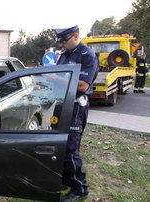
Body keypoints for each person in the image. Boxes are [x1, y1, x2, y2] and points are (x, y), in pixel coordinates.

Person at [54, 25, 98, 202]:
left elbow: (83, 85)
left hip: (76, 106)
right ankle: (66, 180)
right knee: (61, 145)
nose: (62, 44)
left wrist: (56, 78)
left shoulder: (87, 55)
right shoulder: (65, 55)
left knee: (71, 149)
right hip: (62, 104)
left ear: (76, 36)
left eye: (64, 40)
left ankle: (80, 189)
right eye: (60, 41)